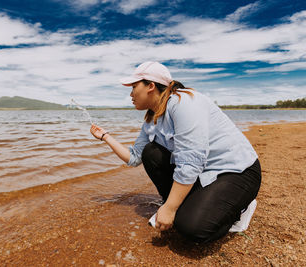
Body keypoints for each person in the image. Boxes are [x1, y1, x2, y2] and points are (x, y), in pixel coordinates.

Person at [90, 61, 261, 243]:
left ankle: (239, 209)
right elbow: (134, 158)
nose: (131, 94)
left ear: (151, 86)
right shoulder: (152, 119)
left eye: (133, 87)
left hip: (236, 172)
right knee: (151, 152)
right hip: (202, 173)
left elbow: (191, 161)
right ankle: (184, 206)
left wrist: (170, 208)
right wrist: (105, 136)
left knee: (192, 229)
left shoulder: (184, 102)